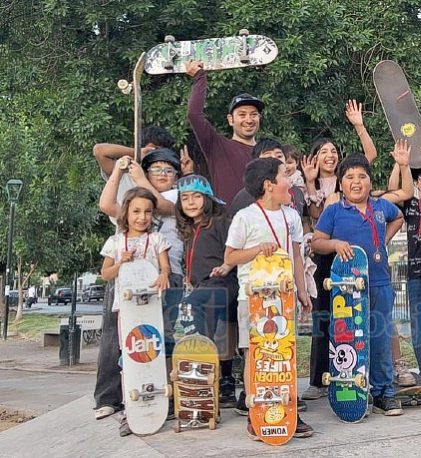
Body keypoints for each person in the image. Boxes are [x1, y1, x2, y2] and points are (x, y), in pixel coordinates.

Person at [92, 132, 182, 424]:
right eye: (154, 165)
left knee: (160, 339)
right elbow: (107, 204)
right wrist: (124, 167)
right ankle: (115, 398)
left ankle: (161, 395)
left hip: (161, 283)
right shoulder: (134, 203)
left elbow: (160, 206)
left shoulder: (171, 197)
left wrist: (142, 174)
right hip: (127, 283)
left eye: (167, 168)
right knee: (121, 341)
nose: (141, 216)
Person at [225, 158, 314, 439]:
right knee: (256, 355)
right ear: (269, 185)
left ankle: (290, 413)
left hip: (284, 297)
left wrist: (302, 291)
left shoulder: (291, 217)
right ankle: (256, 414)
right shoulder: (245, 217)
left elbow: (296, 256)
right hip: (252, 299)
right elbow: (230, 257)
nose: (291, 181)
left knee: (284, 354)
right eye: (284, 175)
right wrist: (255, 249)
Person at [312, 153, 405, 416]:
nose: (356, 182)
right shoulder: (333, 211)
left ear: (369, 180)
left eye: (362, 176)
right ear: (341, 183)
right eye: (350, 177)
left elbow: (398, 217)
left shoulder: (380, 206)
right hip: (347, 288)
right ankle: (353, 394)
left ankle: (383, 393)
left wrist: (383, 240)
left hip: (379, 282)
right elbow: (317, 242)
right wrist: (335, 245)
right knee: (349, 338)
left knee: (380, 337)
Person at [99, 187, 171, 436]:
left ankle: (156, 402)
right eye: (136, 211)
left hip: (152, 310)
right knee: (129, 357)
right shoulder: (116, 242)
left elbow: (165, 268)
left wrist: (163, 276)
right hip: (126, 311)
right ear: (126, 213)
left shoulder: (158, 239)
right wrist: (120, 263)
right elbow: (105, 273)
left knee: (152, 354)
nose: (142, 217)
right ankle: (130, 410)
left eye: (147, 212)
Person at [174, 174, 241, 407]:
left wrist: (226, 265)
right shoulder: (190, 228)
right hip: (204, 285)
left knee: (193, 306)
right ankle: (221, 380)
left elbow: (235, 248)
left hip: (223, 281)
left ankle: (202, 360)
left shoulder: (221, 221)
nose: (191, 202)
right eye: (185, 198)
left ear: (208, 198)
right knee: (219, 330)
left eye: (196, 197)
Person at [185, 60, 264, 208]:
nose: (248, 119)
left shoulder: (267, 153)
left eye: (253, 114)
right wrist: (199, 77)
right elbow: (194, 114)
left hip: (262, 226)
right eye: (242, 114)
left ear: (259, 118)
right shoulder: (217, 146)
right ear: (230, 120)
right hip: (227, 226)